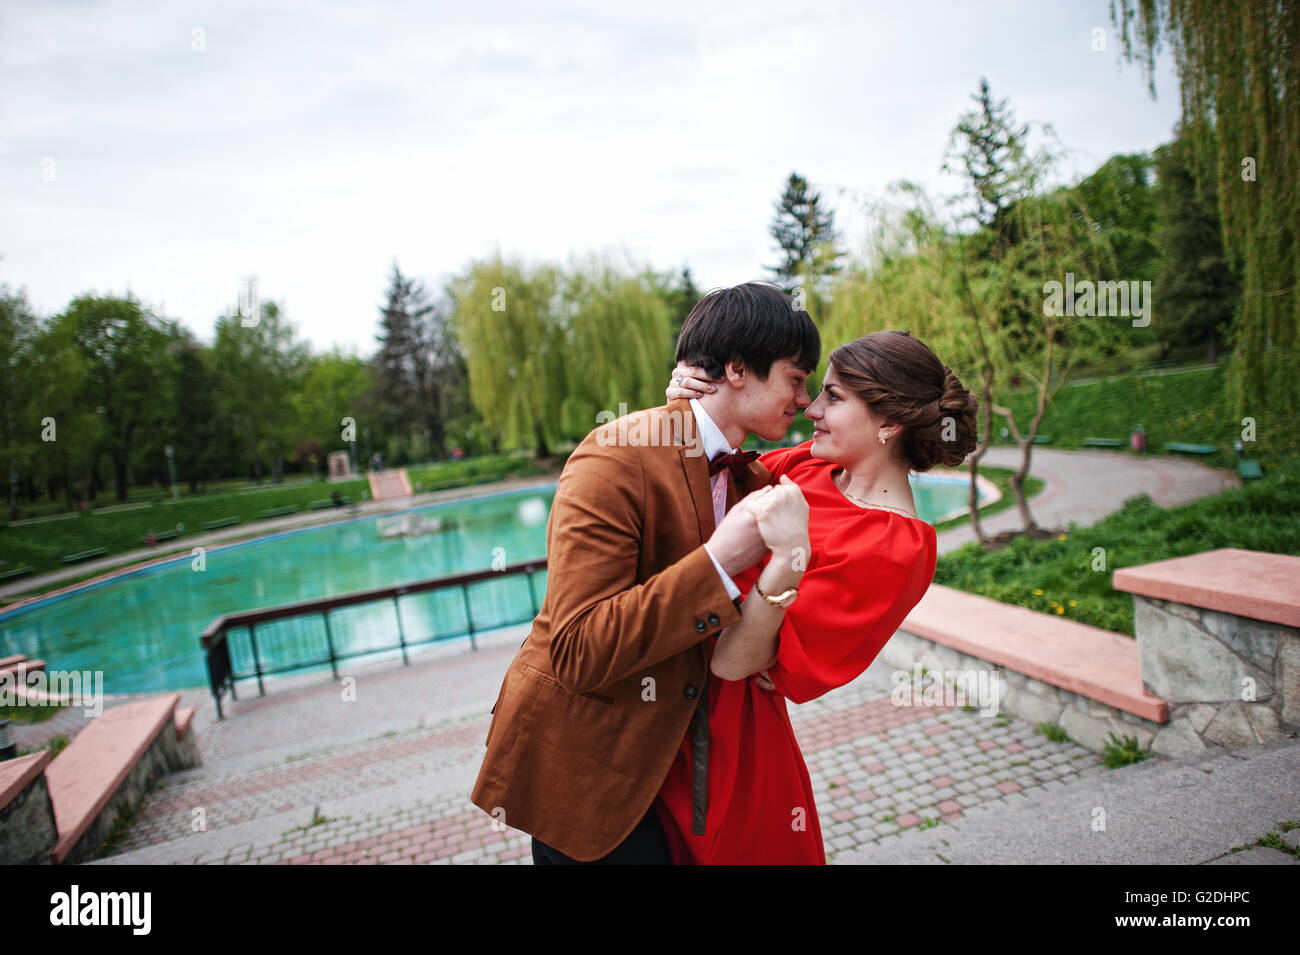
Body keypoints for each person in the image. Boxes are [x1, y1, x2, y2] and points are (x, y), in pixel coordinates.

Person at [470, 282, 820, 863]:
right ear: (737, 368)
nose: (805, 400)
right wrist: (720, 561)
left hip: (677, 771)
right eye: (796, 378)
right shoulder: (615, 454)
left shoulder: (752, 478)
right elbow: (579, 648)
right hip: (587, 768)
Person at [654, 329, 979, 864]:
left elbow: (736, 661)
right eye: (817, 391)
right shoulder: (811, 465)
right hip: (661, 699)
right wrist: (688, 411)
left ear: (889, 423)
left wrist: (788, 559)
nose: (811, 409)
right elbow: (706, 494)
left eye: (834, 397)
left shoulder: (894, 546)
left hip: (726, 736)